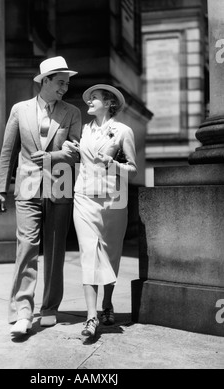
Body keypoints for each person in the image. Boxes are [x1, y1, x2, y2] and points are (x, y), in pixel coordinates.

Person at [0, 56, 82, 338]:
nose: (64, 88)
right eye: (60, 82)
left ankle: (49, 308)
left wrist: (51, 156)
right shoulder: (19, 110)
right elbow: (8, 151)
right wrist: (0, 189)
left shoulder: (72, 112)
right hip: (27, 187)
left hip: (60, 186)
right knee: (27, 247)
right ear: (44, 81)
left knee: (56, 250)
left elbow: (76, 152)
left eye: (67, 83)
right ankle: (22, 311)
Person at [71, 84, 137, 337]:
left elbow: (133, 168)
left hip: (113, 200)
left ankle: (107, 303)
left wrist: (112, 163)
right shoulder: (83, 129)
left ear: (109, 103)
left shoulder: (123, 131)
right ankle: (91, 317)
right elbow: (80, 156)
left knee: (110, 254)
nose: (88, 100)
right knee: (89, 253)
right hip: (84, 197)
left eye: (94, 98)